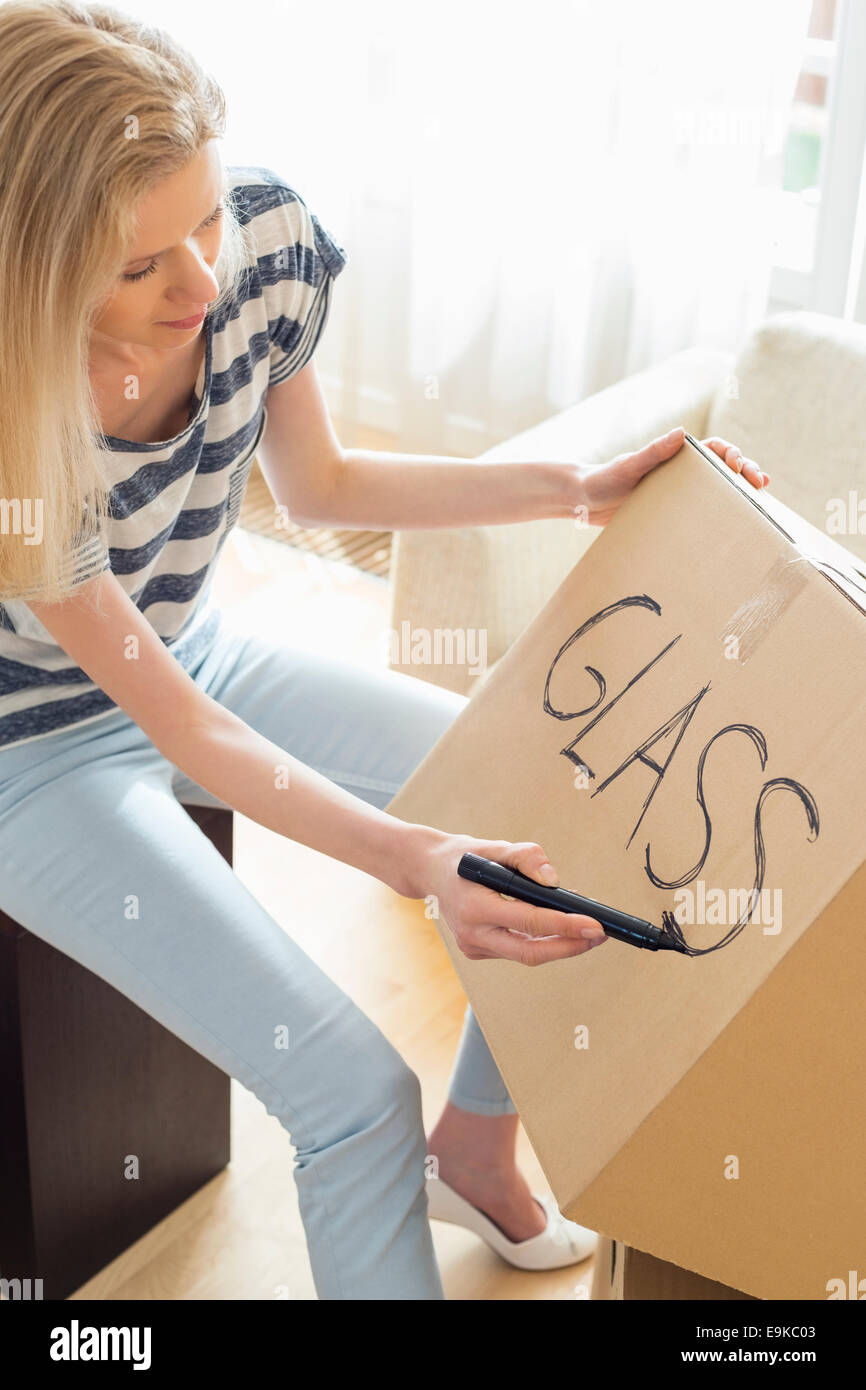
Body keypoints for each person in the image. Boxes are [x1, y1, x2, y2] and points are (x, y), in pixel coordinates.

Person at [0, 0, 770, 1301]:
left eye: (203, 218)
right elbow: (187, 736)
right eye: (139, 267)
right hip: (34, 754)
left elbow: (327, 484)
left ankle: (473, 1149)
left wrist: (573, 487)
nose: (201, 281)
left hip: (198, 649)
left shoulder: (268, 243)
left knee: (557, 796)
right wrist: (417, 859)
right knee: (350, 1089)